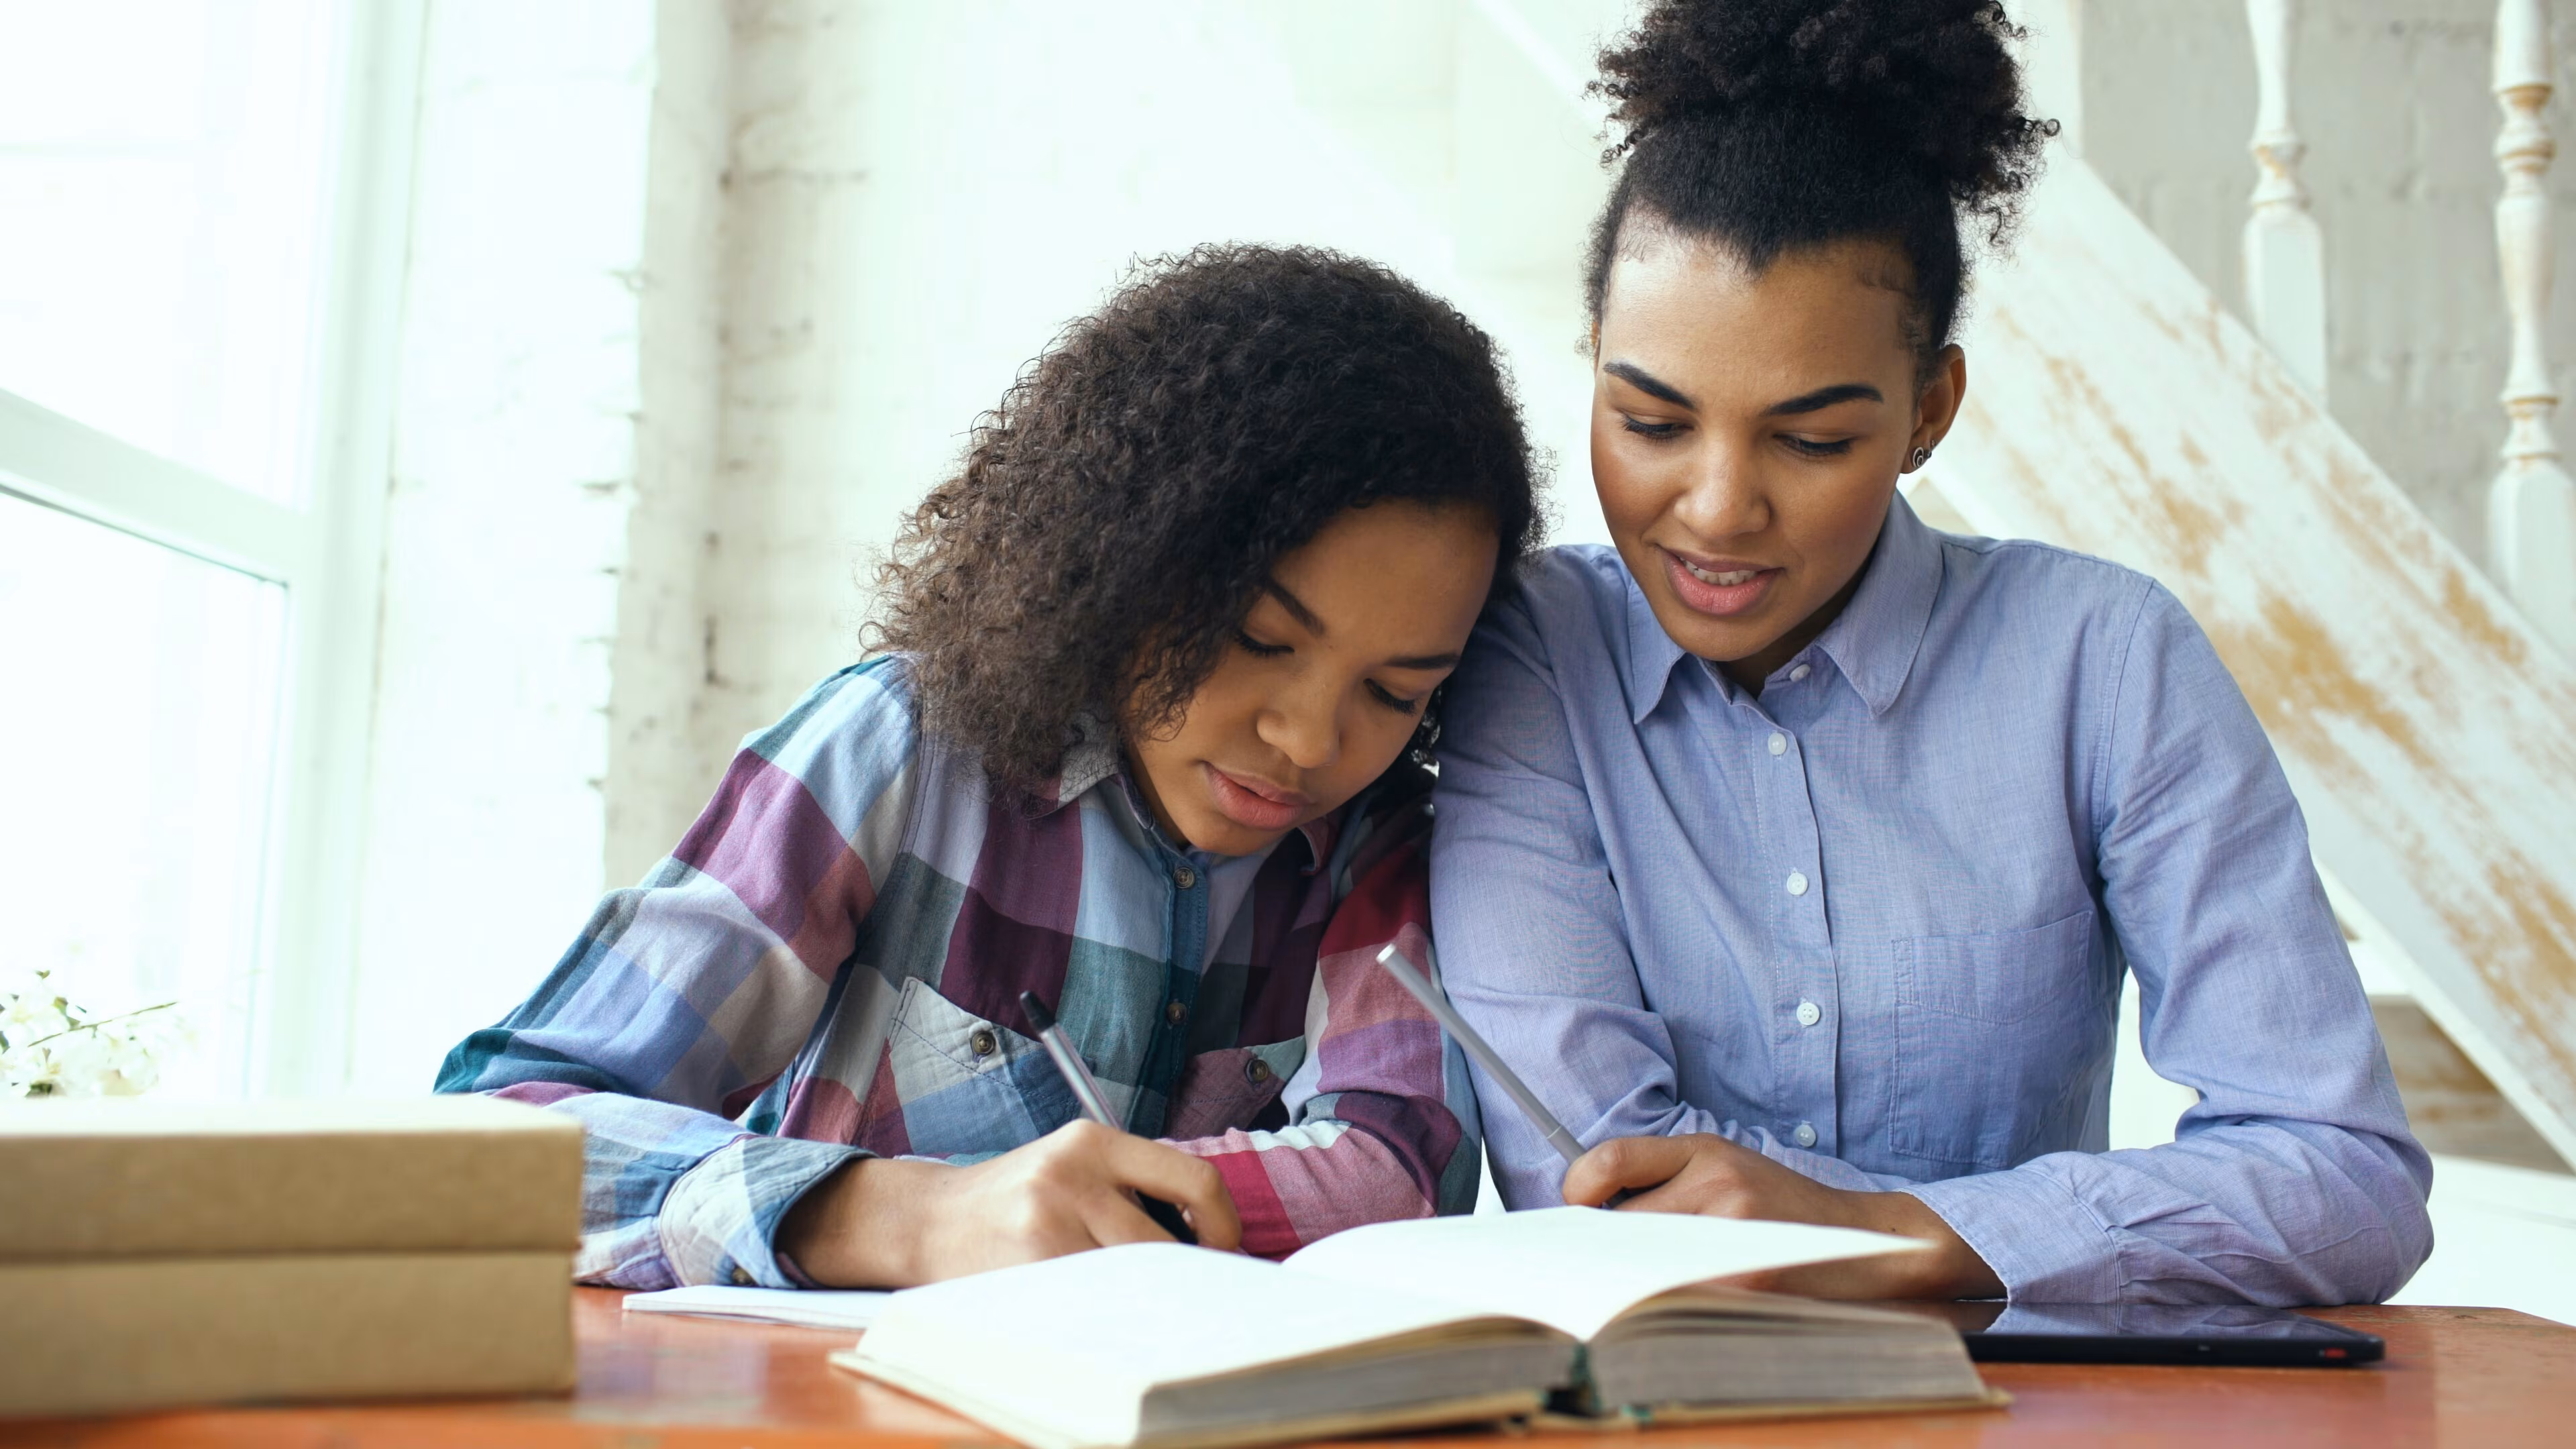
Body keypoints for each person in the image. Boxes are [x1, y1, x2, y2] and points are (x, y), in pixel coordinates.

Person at [1430, 0, 2431, 1305]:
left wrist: (1899, 1231)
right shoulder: (1534, 653)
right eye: (1651, 420)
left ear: (1929, 412)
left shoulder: (2105, 662)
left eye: (1811, 439)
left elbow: (2344, 1181)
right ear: (1596, 376)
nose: (1720, 505)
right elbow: (1592, 1168)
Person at [439, 244, 1539, 1289]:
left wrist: (1104, 1214)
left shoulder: (1381, 846)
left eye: (1396, 693)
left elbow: (1399, 1172)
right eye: (1259, 638)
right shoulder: (898, 752)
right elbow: (497, 1130)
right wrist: (899, 1216)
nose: (1308, 740)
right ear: (1130, 555)